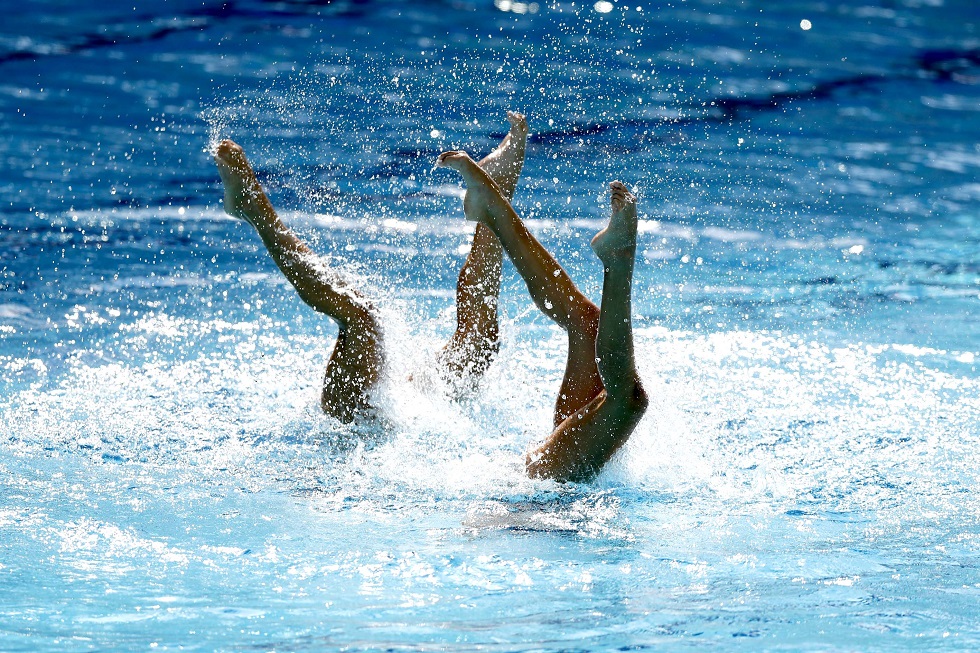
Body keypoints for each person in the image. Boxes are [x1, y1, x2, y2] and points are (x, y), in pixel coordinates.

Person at [213, 113, 647, 482]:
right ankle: (496, 204)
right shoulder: (562, 464)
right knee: (498, 341)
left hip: (363, 419)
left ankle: (253, 207)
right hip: (402, 419)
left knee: (363, 319)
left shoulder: (545, 474)